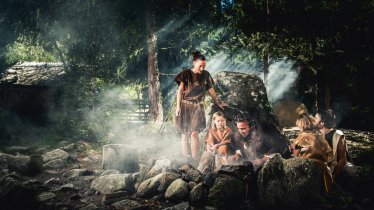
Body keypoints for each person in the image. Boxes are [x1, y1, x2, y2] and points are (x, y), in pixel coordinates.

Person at [175, 51, 227, 160]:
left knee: (194, 134)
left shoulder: (206, 75)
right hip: (185, 106)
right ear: (194, 63)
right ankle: (186, 158)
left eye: (204, 66)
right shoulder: (185, 74)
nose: (202, 68)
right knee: (184, 133)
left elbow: (211, 90)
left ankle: (194, 159)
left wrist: (218, 102)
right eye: (200, 66)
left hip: (198, 107)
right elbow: (179, 91)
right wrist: (178, 107)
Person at [315, 109, 355, 191]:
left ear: (322, 122)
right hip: (323, 168)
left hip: (337, 170)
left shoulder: (337, 134)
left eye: (315, 118)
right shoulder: (316, 136)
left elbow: (342, 160)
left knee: (349, 169)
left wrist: (331, 176)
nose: (313, 120)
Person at [291, 114, 333, 192]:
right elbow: (330, 154)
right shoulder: (320, 137)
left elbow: (294, 155)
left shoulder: (301, 138)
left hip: (307, 169)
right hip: (323, 171)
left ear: (301, 126)